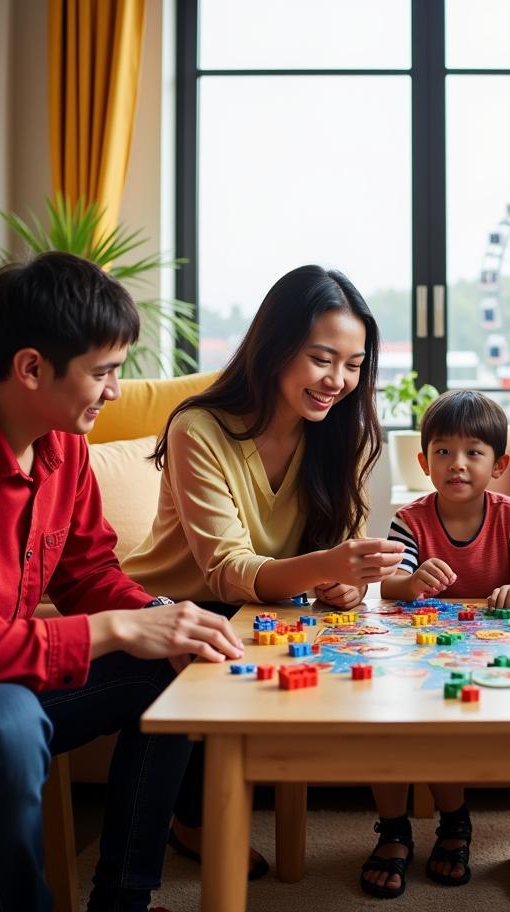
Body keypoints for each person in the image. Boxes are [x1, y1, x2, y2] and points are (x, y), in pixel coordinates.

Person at [0, 252, 243, 912]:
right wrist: (114, 628)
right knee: (5, 722)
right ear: (31, 367)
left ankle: (122, 902)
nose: (115, 390)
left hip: (2, 682)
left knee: (169, 669)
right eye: (103, 371)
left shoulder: (63, 446)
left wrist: (160, 617)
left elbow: (88, 573)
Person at [122, 264, 404, 873]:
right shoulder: (198, 429)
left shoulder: (340, 433)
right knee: (211, 644)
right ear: (275, 348)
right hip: (173, 605)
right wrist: (324, 566)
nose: (339, 381)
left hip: (265, 610)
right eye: (322, 359)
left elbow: (333, 565)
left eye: (354, 365)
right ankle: (192, 822)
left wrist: (344, 586)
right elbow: (225, 570)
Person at [361, 389, 510, 901]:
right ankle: (447, 823)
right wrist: (415, 580)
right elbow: (391, 585)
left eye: (474, 452)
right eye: (444, 452)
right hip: (433, 647)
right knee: (422, 722)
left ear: (500, 464)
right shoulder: (411, 518)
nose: (458, 464)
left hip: (509, 643)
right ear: (425, 461)